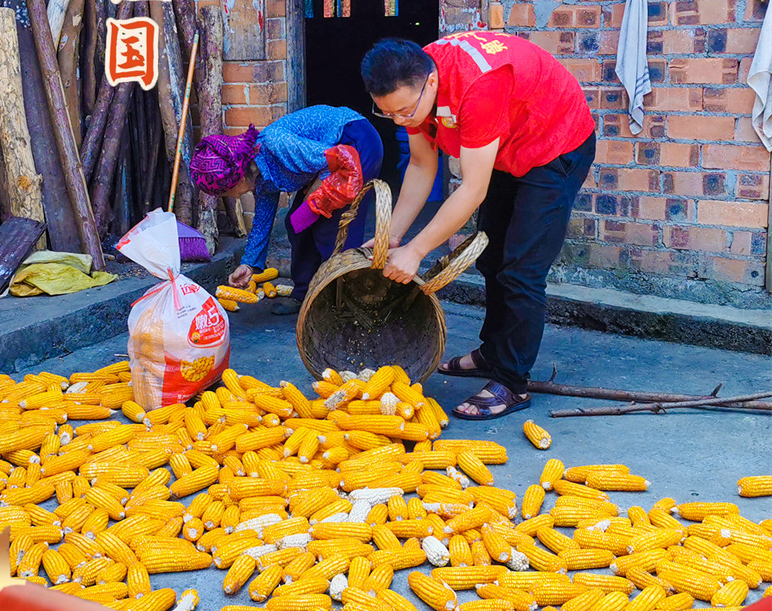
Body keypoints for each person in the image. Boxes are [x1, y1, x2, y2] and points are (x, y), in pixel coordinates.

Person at [361, 31, 596, 420]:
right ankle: (494, 352)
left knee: (522, 269)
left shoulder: (478, 86)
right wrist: (394, 235)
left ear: (431, 82)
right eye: (388, 113)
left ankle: (512, 381)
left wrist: (416, 251)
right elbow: (420, 164)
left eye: (404, 112)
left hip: (554, 143)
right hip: (505, 145)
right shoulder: (413, 83)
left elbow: (472, 190)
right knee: (491, 256)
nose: (400, 120)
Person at [189, 106, 383, 314]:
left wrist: (315, 191)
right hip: (331, 158)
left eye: (227, 192)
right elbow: (262, 222)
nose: (234, 197)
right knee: (297, 224)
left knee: (330, 229)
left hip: (354, 143)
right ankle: (305, 295)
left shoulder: (276, 145)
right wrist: (249, 265)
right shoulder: (259, 178)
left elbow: (340, 157)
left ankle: (343, 303)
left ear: (238, 177)